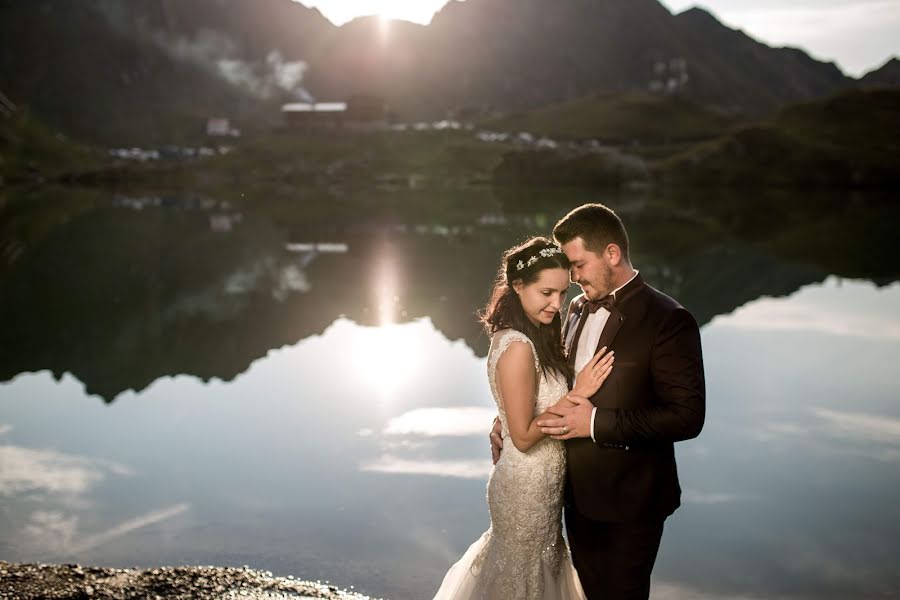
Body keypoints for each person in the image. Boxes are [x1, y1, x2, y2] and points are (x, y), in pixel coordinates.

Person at [491, 204, 706, 599]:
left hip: (631, 501)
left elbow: (687, 417)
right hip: (570, 495)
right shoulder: (572, 309)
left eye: (578, 265)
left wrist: (594, 423)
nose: (572, 279)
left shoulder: (669, 320)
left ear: (611, 254)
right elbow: (546, 380)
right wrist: (508, 416)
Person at [433, 237, 615, 600]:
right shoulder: (517, 345)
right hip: (524, 488)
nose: (556, 303)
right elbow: (525, 436)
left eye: (563, 293)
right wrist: (579, 392)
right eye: (546, 292)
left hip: (543, 487)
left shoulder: (533, 336)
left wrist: (501, 417)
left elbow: (521, 406)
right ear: (518, 286)